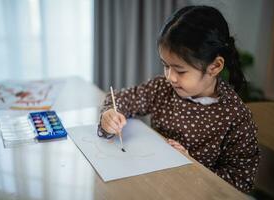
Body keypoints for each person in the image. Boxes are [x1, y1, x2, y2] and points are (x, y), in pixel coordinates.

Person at [98, 5, 260, 193]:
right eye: (165, 66)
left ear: (215, 66)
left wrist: (191, 164)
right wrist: (110, 113)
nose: (170, 77)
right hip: (151, 185)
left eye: (180, 70)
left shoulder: (235, 117)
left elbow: (240, 181)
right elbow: (119, 98)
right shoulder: (162, 88)